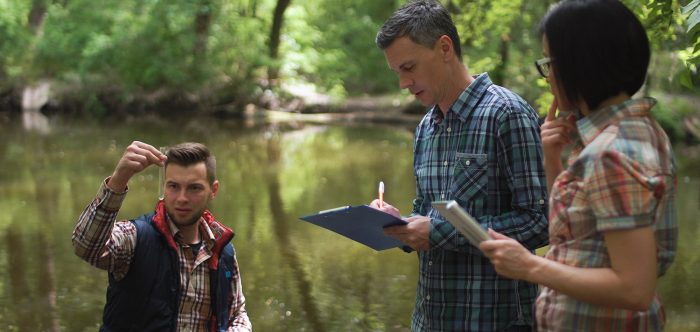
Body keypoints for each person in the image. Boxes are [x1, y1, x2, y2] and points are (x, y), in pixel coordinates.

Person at [479, 0, 678, 331]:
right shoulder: (639, 131)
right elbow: (577, 238)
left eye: (550, 63)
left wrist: (528, 265)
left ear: (580, 65)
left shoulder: (610, 153)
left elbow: (634, 288)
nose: (548, 77)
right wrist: (552, 157)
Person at [372, 1, 549, 330]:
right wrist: (400, 224)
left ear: (444, 48)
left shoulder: (507, 113)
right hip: (429, 321)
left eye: (409, 67)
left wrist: (437, 232)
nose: (403, 83)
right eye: (398, 72)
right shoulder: (426, 128)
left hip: (495, 320)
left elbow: (539, 222)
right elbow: (427, 216)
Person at [72, 141, 252, 331]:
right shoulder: (135, 238)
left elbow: (237, 313)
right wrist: (119, 180)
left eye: (194, 188)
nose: (182, 198)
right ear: (164, 187)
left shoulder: (223, 251)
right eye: (173, 186)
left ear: (213, 190)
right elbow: (86, 247)